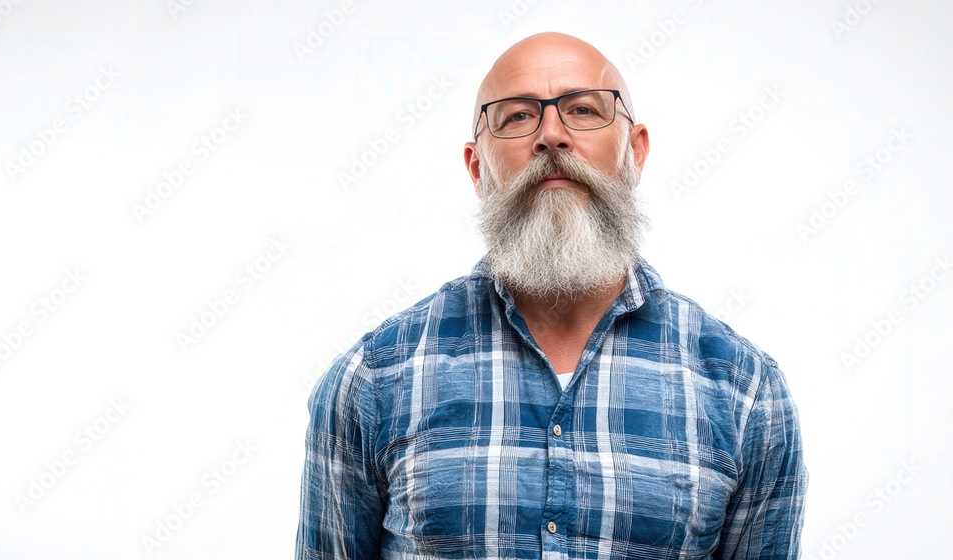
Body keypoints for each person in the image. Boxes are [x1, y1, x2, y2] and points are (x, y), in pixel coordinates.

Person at [297, 32, 807, 559]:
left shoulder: (746, 391)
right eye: (518, 116)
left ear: (635, 151)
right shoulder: (373, 379)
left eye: (583, 110)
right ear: (477, 168)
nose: (552, 136)